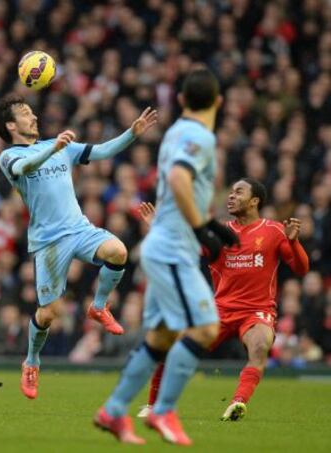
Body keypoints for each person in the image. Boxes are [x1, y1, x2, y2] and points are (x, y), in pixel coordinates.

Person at [94, 68, 239, 445]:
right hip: (173, 248)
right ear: (219, 102)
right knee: (206, 327)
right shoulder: (200, 136)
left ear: (180, 100)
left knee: (161, 337)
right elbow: (178, 178)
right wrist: (203, 226)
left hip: (163, 245)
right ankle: (163, 411)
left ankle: (112, 410)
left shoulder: (175, 131)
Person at [0, 95, 157, 399]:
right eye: (26, 114)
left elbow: (102, 151)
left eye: (32, 112)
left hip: (79, 228)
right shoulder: (8, 156)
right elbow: (24, 167)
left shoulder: (61, 146)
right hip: (49, 242)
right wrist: (53, 148)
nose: (34, 117)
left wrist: (132, 133)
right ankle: (31, 361)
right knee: (49, 313)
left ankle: (98, 306)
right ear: (11, 125)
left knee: (118, 251)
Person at [137, 177, 309, 422]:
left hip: (257, 310)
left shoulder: (274, 231)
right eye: (230, 192)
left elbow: (301, 269)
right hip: (219, 310)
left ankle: (238, 403)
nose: (231, 196)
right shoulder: (220, 232)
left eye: (239, 192)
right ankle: (154, 406)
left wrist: (294, 242)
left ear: (254, 201)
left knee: (260, 346)